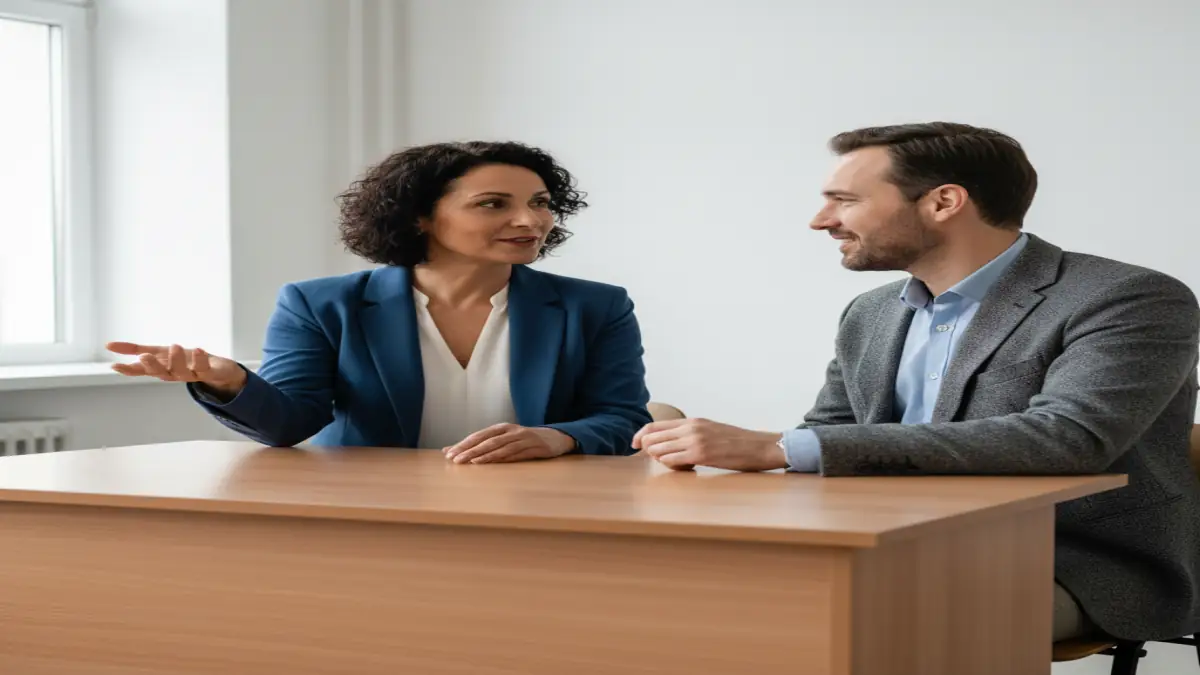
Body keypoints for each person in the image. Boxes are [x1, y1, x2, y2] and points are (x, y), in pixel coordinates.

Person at [633, 122, 1200, 643]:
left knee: (873, 620)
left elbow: (1068, 438)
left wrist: (776, 447)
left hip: (1069, 556)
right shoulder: (871, 312)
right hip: (887, 538)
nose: (821, 220)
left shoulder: (1127, 298)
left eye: (845, 200)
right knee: (689, 592)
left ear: (943, 202)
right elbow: (832, 433)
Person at [109, 141, 652, 463]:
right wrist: (229, 381)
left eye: (540, 203)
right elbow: (288, 425)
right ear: (419, 217)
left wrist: (556, 438)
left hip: (537, 507)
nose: (530, 220)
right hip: (374, 508)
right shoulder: (319, 304)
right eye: (493, 204)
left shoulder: (596, 306)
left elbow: (622, 418)